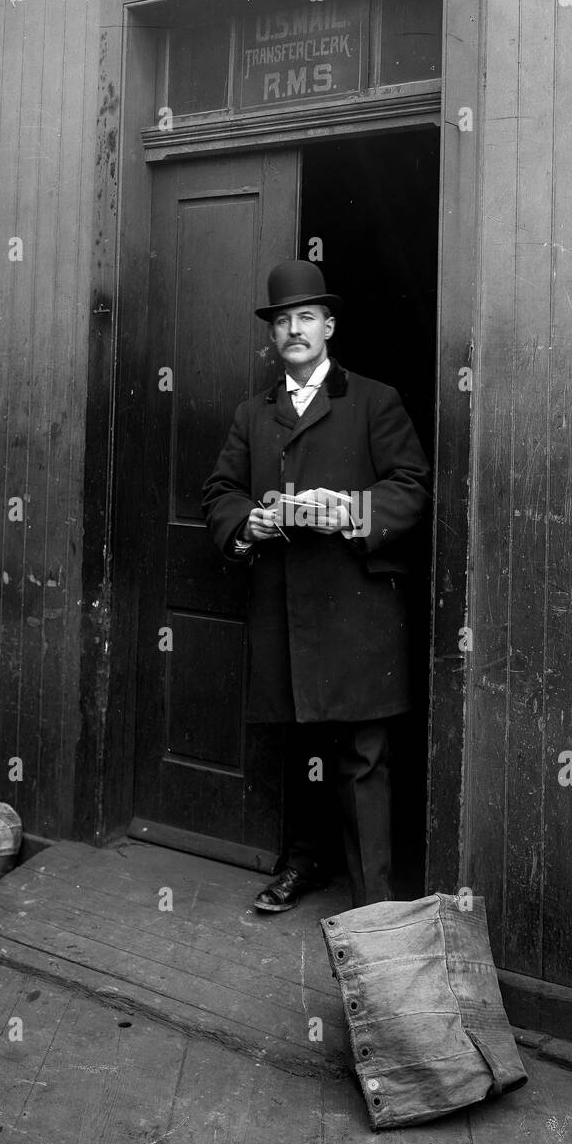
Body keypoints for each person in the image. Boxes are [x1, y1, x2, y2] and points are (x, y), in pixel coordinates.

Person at [201, 260, 432, 912]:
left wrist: (352, 511)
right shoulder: (254, 415)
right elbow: (218, 494)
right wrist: (252, 521)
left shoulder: (373, 400)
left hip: (357, 611)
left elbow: (411, 486)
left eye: (306, 317)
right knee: (301, 745)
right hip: (287, 610)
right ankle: (301, 865)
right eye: (282, 321)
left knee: (362, 758)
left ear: (329, 326)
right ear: (273, 337)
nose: (294, 330)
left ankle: (372, 907)